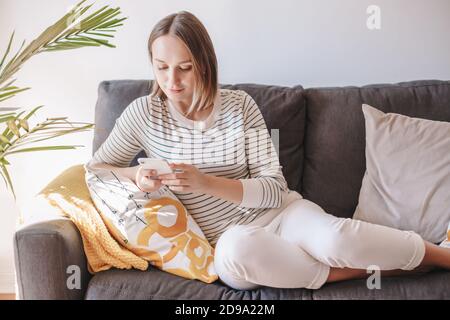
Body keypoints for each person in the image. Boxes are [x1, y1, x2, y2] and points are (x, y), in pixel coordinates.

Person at [87, 11, 450, 290]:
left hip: (281, 213)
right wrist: (135, 175)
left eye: (184, 68)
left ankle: (438, 254)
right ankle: (382, 265)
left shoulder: (239, 105)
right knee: (236, 255)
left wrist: (204, 183)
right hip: (230, 242)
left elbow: (274, 186)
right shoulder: (142, 113)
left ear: (205, 64)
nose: (172, 81)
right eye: (161, 67)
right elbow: (97, 169)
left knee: (335, 238)